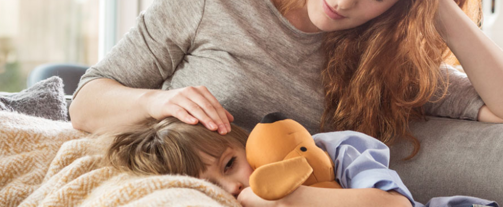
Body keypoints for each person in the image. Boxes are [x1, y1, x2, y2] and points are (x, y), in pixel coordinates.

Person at [71, 0, 503, 195]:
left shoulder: (382, 55)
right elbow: (85, 102)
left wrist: (438, 2)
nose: (346, 0)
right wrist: (155, 101)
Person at [105, 116, 498, 207]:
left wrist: (286, 197)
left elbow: (394, 206)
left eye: (229, 165)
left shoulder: (325, 152)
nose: (232, 188)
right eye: (210, 186)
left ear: (244, 139)